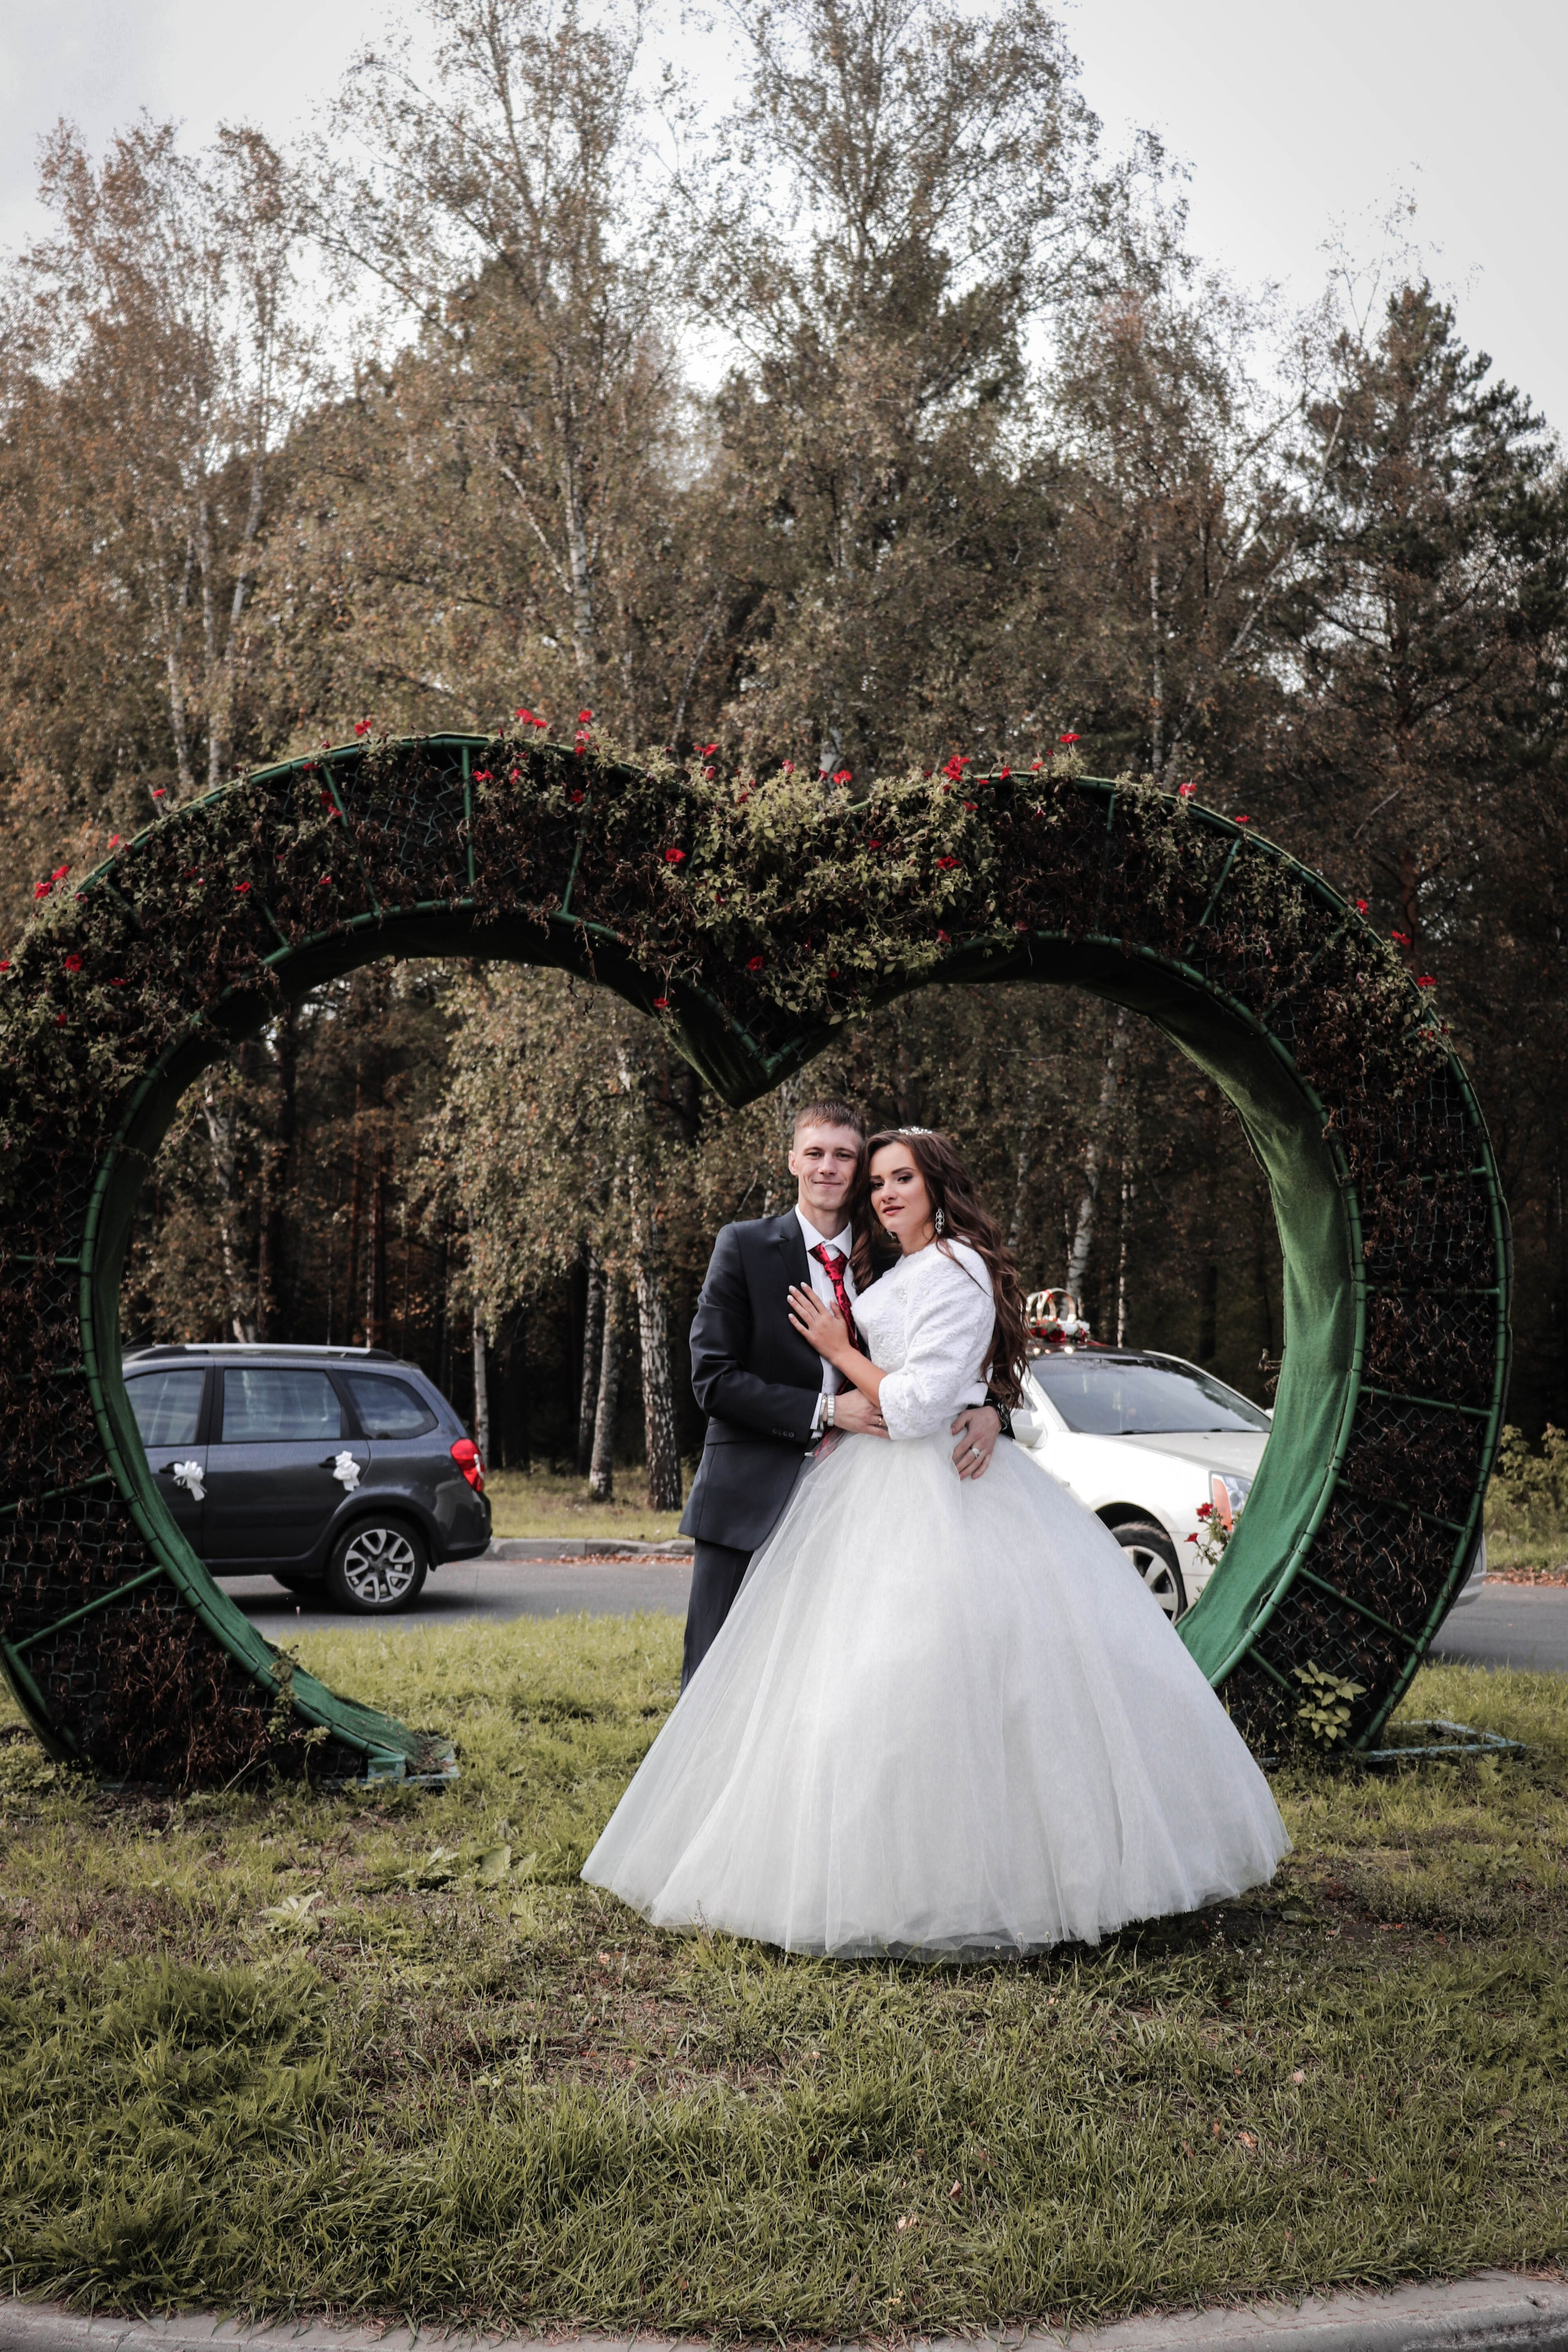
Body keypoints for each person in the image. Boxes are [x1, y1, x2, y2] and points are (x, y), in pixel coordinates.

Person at [583, 1126, 1289, 1957]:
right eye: (864, 1173)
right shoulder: (797, 1252)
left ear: (934, 1185)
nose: (874, 1189)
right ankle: (729, 1847)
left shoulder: (943, 1263)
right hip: (788, 1492)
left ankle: (941, 1878)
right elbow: (713, 1377)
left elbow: (941, 1390)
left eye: (892, 1176)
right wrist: (848, 1399)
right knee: (758, 1691)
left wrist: (950, 1393)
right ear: (794, 1162)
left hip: (924, 1488)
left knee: (927, 1686)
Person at [674, 1098, 1003, 1687]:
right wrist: (827, 1410)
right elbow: (712, 1380)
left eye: (844, 1156)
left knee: (818, 1682)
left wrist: (992, 1410)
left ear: (857, 1170)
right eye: (816, 1152)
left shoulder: (892, 1255)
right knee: (713, 1679)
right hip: (748, 1493)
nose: (829, 1167)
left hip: (858, 1506)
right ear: (793, 1160)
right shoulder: (744, 1246)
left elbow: (965, 1343)